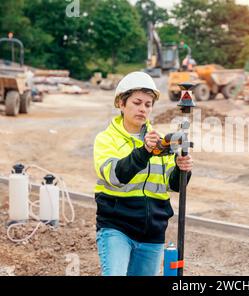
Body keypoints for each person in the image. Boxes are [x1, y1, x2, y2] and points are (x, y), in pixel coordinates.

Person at [93, 71, 193, 276]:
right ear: (121, 103)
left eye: (148, 105)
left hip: (152, 233)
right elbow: (115, 175)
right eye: (137, 102)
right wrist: (144, 151)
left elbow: (171, 184)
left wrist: (182, 169)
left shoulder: (159, 141)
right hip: (116, 227)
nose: (142, 109)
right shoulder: (106, 139)